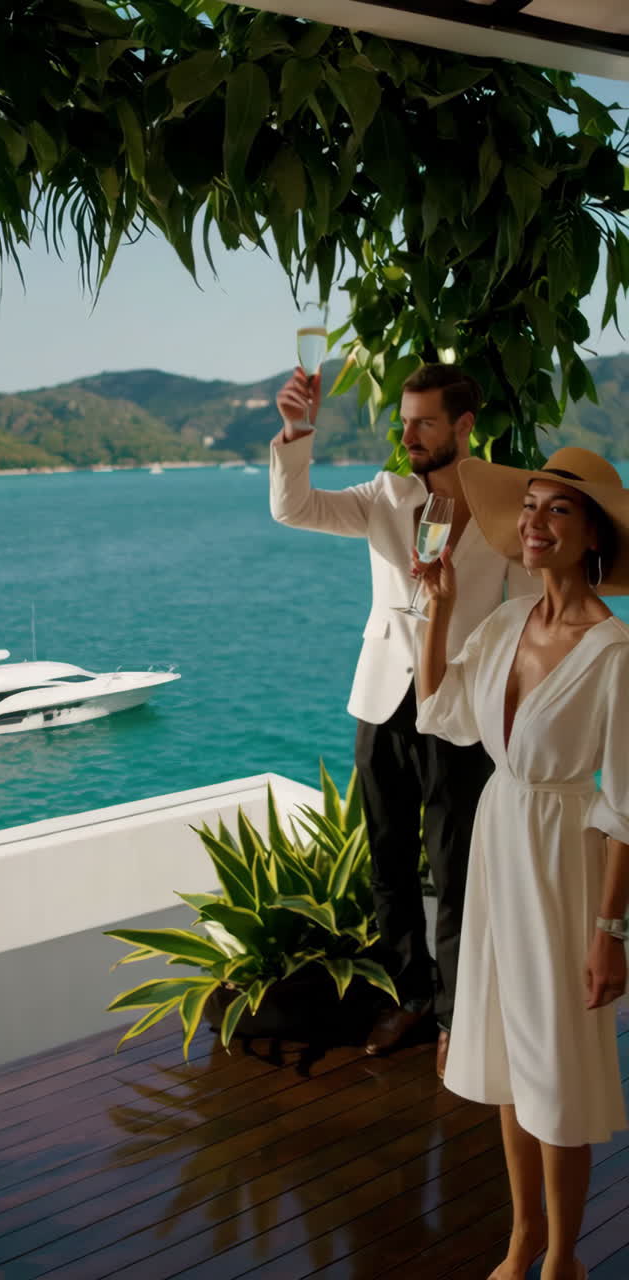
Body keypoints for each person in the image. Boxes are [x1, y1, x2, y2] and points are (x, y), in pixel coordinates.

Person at [271, 362, 536, 1076]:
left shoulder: (507, 508)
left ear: (463, 425)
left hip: (461, 709)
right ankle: (411, 996)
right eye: (405, 420)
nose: (409, 434)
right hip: (384, 699)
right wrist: (298, 433)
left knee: (456, 869)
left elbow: (531, 612)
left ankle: (459, 1012)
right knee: (389, 861)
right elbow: (294, 508)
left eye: (424, 422)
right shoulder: (384, 494)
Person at [415, 445, 629, 1280]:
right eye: (530, 506)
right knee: (510, 1054)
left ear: (592, 536)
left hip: (565, 861)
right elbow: (442, 711)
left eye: (557, 511)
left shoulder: (613, 654)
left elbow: (626, 807)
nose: (534, 523)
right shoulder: (507, 622)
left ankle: (565, 1259)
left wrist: (611, 932)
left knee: (558, 1067)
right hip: (501, 840)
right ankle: (521, 1239)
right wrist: (437, 610)